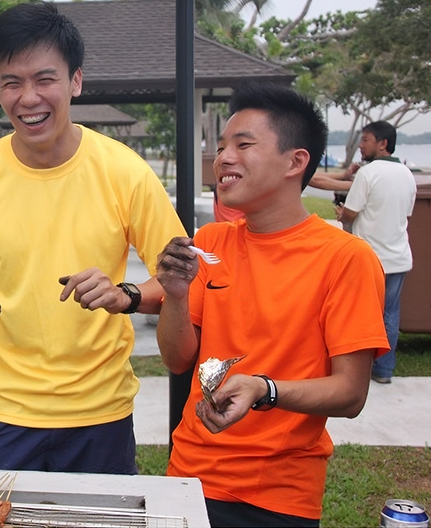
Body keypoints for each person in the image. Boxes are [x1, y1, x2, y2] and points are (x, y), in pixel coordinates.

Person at [0, 2, 185, 474]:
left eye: (45, 79)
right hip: (2, 413)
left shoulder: (124, 172)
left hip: (100, 414)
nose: (29, 98)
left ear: (75, 82)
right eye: (12, 82)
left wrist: (124, 293)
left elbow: (177, 280)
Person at [156, 82, 389, 527]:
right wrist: (176, 294)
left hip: (277, 494)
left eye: (244, 145)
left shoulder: (345, 258)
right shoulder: (210, 242)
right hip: (188, 472)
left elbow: (351, 393)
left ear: (295, 161)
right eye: (222, 146)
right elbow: (178, 357)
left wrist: (265, 389)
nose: (223, 157)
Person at [337, 121, 416, 385]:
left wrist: (343, 215)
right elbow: (406, 214)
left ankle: (356, 371)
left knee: (361, 314)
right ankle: (384, 370)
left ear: (383, 143)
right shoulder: (406, 174)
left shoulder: (368, 173)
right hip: (399, 257)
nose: (361, 145)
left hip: (370, 258)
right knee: (390, 314)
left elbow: (350, 212)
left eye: (366, 140)